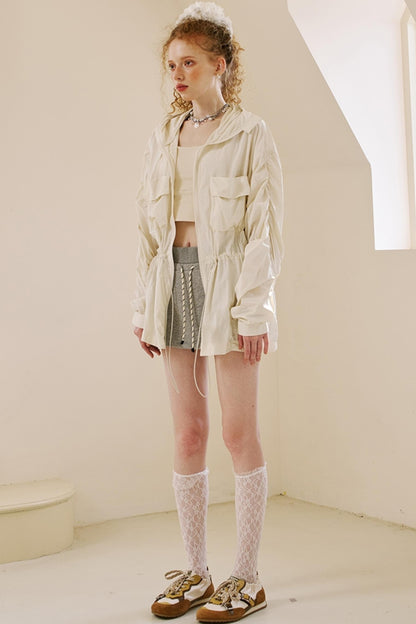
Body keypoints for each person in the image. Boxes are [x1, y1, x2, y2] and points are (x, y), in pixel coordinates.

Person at [131, 2, 284, 621]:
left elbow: (264, 229)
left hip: (230, 288)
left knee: (237, 434)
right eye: (171, 64)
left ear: (220, 65)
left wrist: (255, 311)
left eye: (189, 63)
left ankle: (247, 576)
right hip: (173, 283)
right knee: (188, 434)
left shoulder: (251, 133)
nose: (177, 73)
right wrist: (143, 304)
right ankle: (196, 570)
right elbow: (147, 229)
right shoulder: (163, 137)